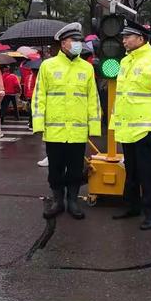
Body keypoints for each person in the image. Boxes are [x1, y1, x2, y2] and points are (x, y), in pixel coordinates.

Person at [31, 22, 101, 220]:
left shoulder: (86, 68)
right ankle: (57, 201)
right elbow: (39, 97)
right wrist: (38, 125)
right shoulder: (48, 66)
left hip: (78, 132)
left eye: (79, 40)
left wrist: (93, 127)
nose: (78, 44)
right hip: (55, 131)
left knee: (75, 169)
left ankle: (72, 201)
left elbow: (93, 99)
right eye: (74, 40)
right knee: (55, 170)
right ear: (63, 44)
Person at [110, 19, 151, 230]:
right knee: (132, 170)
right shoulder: (126, 61)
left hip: (146, 127)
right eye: (123, 37)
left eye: (127, 36)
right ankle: (132, 206)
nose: (124, 40)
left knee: (150, 174)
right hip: (128, 126)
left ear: (140, 38)